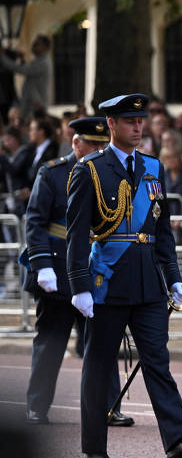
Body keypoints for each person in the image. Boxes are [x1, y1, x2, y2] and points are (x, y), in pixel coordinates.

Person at [66, 93, 182, 458]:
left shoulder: (153, 167)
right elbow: (77, 235)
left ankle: (177, 444)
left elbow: (162, 230)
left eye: (141, 120)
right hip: (108, 282)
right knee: (99, 367)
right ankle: (95, 449)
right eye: (129, 121)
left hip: (149, 283)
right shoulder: (90, 170)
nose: (138, 127)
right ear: (111, 125)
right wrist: (80, 286)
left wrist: (175, 278)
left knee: (158, 364)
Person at [21, 117, 133, 428]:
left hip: (93, 271)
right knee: (51, 343)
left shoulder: (111, 172)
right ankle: (37, 407)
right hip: (56, 269)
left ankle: (110, 407)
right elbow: (35, 221)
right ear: (76, 143)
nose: (99, 148)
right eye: (93, 143)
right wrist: (42, 265)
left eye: (102, 143)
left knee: (103, 344)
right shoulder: (53, 172)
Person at [0, 35, 52, 119]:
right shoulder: (40, 60)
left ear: (45, 47)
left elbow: (22, 70)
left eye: (37, 44)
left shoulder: (44, 62)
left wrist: (2, 57)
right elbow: (29, 71)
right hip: (31, 105)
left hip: (35, 106)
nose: (33, 46)